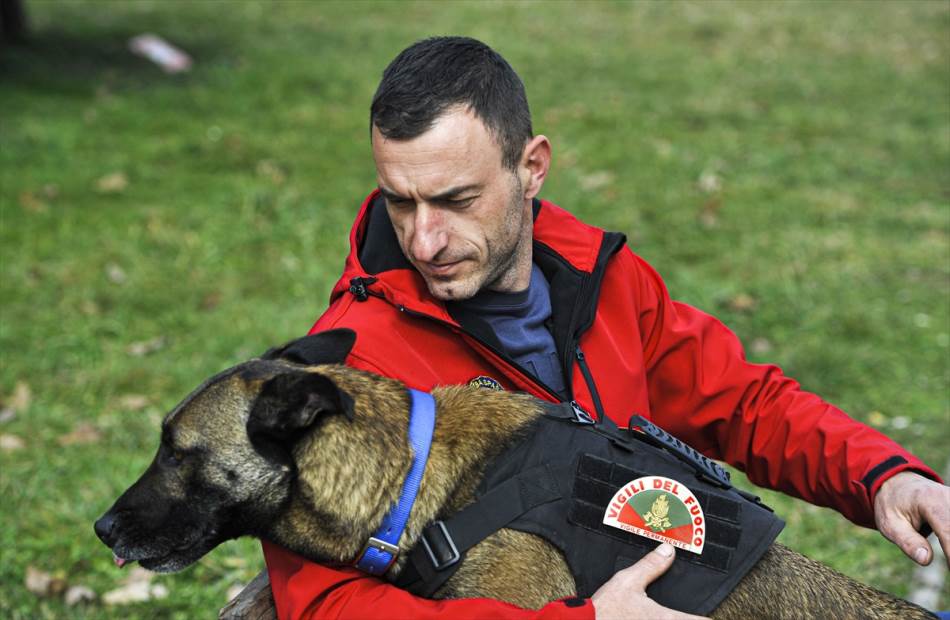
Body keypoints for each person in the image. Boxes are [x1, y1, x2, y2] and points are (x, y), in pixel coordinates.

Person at [261, 36, 948, 619]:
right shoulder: (351, 370)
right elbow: (324, 606)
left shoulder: (600, 275)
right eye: (399, 203)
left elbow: (741, 403)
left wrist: (884, 477)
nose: (425, 239)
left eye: (456, 200)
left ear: (531, 168)